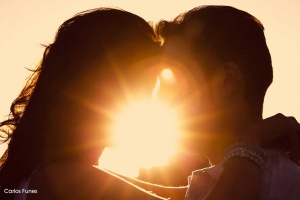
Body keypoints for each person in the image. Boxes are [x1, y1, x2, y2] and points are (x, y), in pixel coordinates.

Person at [0, 8, 165, 200]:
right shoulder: (65, 178)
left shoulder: (46, 172)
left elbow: (177, 194)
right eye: (140, 85)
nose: (149, 100)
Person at [152, 5, 300, 200]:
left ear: (227, 80)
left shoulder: (279, 186)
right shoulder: (220, 180)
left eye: (171, 80)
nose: (159, 97)